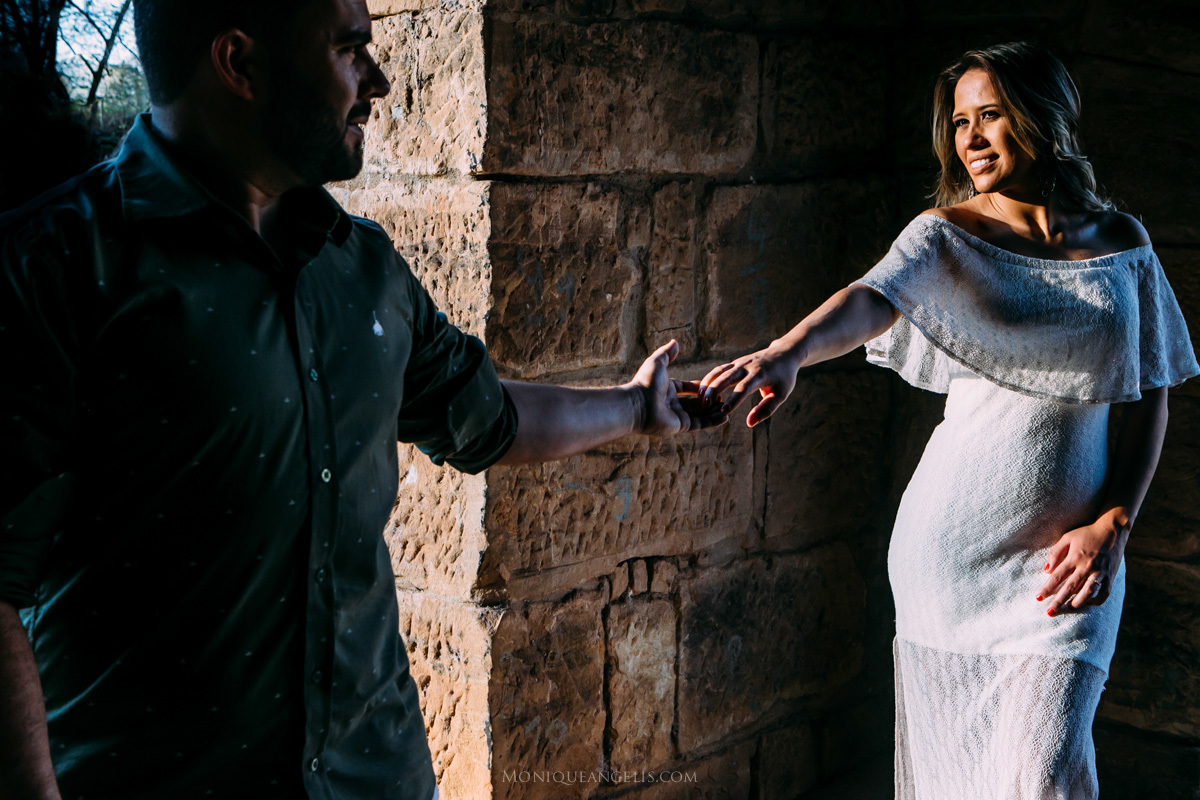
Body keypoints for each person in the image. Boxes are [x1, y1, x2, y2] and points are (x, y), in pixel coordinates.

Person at [0, 1, 725, 798]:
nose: (378, 80)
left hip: (378, 778)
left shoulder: (365, 268)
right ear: (239, 63)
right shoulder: (52, 269)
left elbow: (487, 418)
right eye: (350, 50)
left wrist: (634, 408)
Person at [699, 41, 1198, 799]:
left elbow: (1151, 390)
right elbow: (871, 298)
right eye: (959, 121)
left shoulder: (1122, 243)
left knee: (1044, 780)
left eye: (989, 115)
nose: (967, 137)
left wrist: (1113, 525)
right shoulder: (944, 234)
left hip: (1066, 565)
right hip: (952, 556)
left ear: (1044, 119)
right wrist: (789, 351)